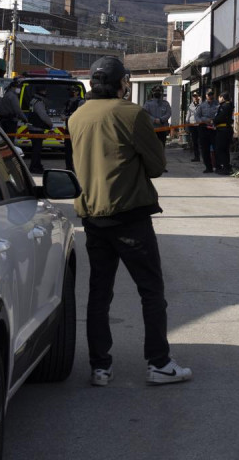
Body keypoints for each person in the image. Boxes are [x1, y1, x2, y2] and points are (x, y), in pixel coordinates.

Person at [68, 56, 192, 388]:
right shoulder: (131, 114)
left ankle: (100, 367)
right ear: (123, 82)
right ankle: (159, 363)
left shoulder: (77, 117)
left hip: (92, 217)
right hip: (130, 217)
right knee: (151, 291)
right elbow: (155, 165)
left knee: (99, 293)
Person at [27, 87, 54, 175]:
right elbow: (43, 115)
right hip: (37, 128)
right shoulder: (38, 102)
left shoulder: (33, 100)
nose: (46, 92)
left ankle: (37, 165)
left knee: (36, 148)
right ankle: (34, 167)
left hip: (33, 127)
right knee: (37, 149)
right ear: (42, 91)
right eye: (45, 90)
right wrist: (50, 124)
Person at [195, 90, 220, 173]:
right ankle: (208, 167)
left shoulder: (217, 105)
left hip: (214, 129)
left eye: (212, 94)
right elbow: (197, 116)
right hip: (204, 129)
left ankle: (218, 167)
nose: (210, 96)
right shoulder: (201, 106)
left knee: (216, 148)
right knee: (205, 149)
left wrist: (214, 121)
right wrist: (204, 120)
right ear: (206, 95)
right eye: (209, 94)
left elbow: (220, 115)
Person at [213, 91, 234, 174]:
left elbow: (221, 117)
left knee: (220, 149)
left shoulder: (224, 106)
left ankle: (224, 167)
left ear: (222, 98)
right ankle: (226, 166)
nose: (218, 99)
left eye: (219, 97)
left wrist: (213, 121)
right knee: (225, 149)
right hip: (226, 129)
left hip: (223, 130)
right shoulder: (228, 105)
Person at [186, 92, 203, 162]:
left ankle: (203, 156)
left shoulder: (202, 105)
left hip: (200, 125)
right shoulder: (190, 106)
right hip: (192, 125)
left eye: (196, 96)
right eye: (193, 96)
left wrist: (201, 101)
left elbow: (203, 111)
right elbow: (187, 117)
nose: (195, 97)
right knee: (194, 142)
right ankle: (197, 157)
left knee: (201, 141)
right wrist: (186, 126)